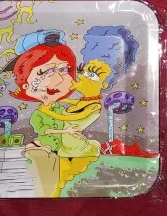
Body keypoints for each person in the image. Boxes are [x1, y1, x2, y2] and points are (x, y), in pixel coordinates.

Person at [7, 40, 101, 196]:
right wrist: (65, 131)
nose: (58, 79)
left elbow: (73, 115)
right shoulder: (39, 114)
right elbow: (45, 130)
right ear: (25, 85)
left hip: (64, 152)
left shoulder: (59, 108)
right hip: (48, 148)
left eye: (64, 69)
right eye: (46, 71)